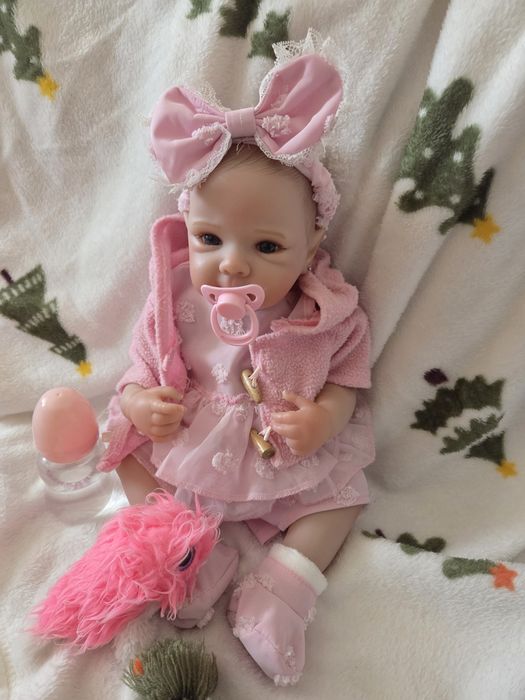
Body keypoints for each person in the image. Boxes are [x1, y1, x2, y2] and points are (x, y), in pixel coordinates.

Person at [98, 34, 374, 686]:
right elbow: (141, 365)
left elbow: (348, 378)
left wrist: (325, 419)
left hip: (282, 452)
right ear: (187, 227)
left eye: (266, 246)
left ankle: (281, 589)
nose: (231, 264)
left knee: (343, 500)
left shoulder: (324, 310)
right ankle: (191, 557)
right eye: (209, 238)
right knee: (128, 457)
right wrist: (141, 401)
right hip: (193, 442)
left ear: (311, 244)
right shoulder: (176, 299)